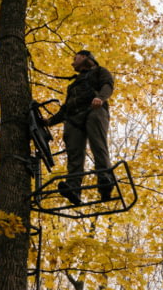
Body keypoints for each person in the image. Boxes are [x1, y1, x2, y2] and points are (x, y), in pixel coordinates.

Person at [46, 49, 115, 205]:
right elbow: (65, 108)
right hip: (73, 118)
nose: (72, 62)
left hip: (94, 110)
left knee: (98, 145)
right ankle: (73, 187)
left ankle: (105, 180)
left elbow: (108, 85)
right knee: (74, 152)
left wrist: (100, 98)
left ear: (85, 57)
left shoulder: (99, 71)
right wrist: (50, 121)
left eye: (75, 58)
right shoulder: (73, 85)